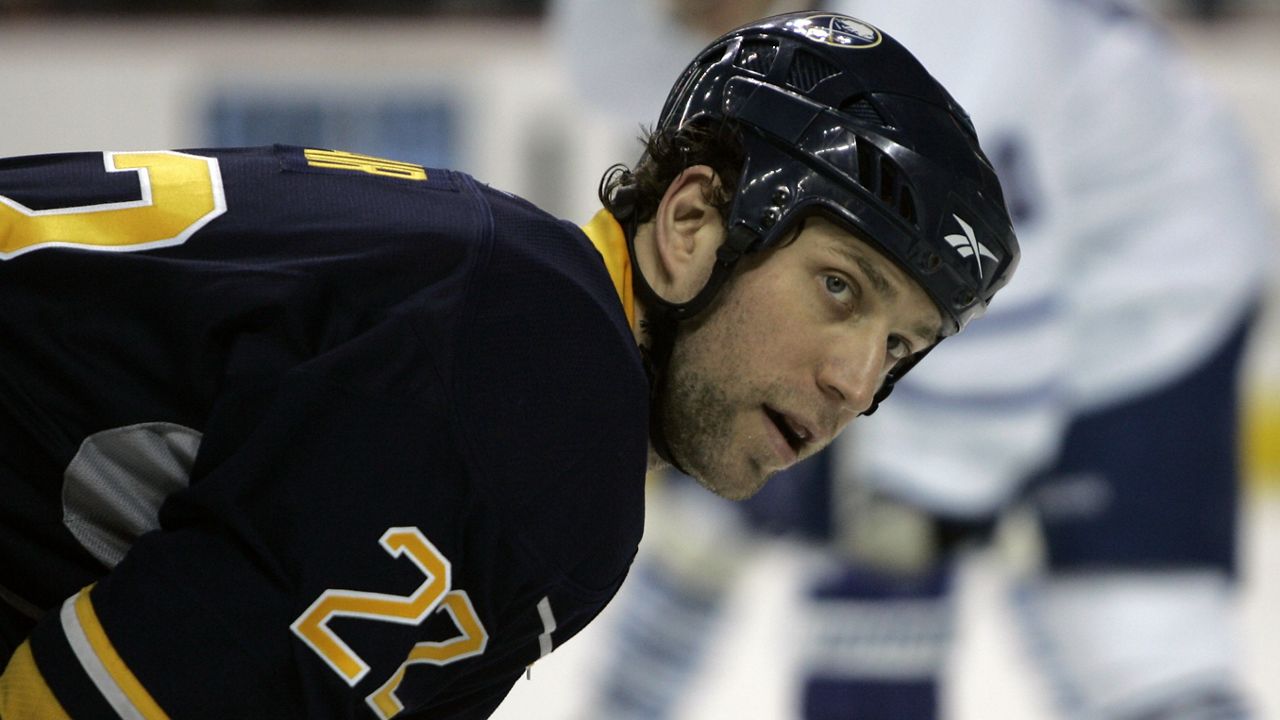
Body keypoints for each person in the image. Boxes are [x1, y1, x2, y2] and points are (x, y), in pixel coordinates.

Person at [0, 13, 1018, 720]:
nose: (854, 382)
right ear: (692, 222)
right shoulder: (541, 392)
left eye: (899, 348)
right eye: (838, 288)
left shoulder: (511, 300)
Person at [553, 1, 1272, 719]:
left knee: (1124, 637)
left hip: (1148, 288)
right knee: (710, 520)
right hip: (915, 280)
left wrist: (920, 516)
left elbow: (977, 275)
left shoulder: (943, 22)